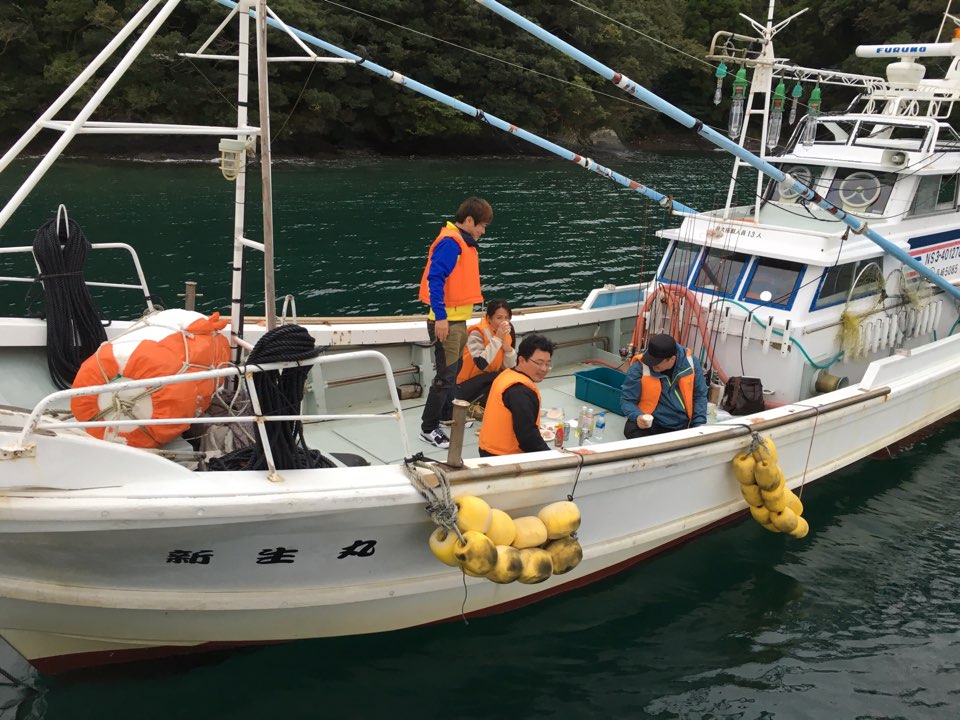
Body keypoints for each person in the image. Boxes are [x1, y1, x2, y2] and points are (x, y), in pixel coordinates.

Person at [418, 197, 493, 449]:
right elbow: (435, 278)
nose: (483, 231)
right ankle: (428, 428)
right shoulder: (451, 243)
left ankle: (447, 415)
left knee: (453, 372)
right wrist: (440, 317)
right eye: (482, 225)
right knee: (444, 377)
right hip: (446, 323)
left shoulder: (462, 243)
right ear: (469, 220)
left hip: (458, 321)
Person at [478, 333, 555, 456]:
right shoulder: (520, 391)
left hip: (487, 448)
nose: (544, 369)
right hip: (503, 456)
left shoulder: (506, 374)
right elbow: (528, 439)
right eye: (539, 363)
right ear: (522, 360)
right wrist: (553, 458)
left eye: (547, 364)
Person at [619, 333, 708, 439]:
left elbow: (700, 395)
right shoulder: (639, 367)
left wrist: (698, 426)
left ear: (672, 359)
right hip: (651, 423)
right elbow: (627, 400)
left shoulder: (691, 363)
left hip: (681, 424)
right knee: (631, 429)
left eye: (656, 363)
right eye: (650, 361)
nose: (652, 365)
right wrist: (637, 416)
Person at [455, 298, 517, 415]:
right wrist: (497, 339)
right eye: (499, 318)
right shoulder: (477, 333)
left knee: (509, 378)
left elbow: (508, 368)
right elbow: (481, 363)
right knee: (498, 377)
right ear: (489, 318)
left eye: (507, 318)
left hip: (486, 380)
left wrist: (509, 351)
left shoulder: (507, 333)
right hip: (463, 386)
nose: (504, 322)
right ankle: (471, 406)